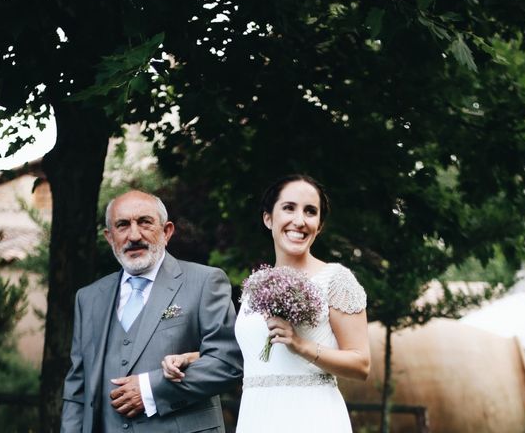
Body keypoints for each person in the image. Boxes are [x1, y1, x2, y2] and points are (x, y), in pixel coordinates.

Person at [163, 174, 371, 432]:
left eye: (310, 211)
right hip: (257, 416)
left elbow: (361, 364)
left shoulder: (336, 279)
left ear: (319, 225)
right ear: (268, 218)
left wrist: (301, 345)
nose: (299, 220)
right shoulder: (256, 285)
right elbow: (250, 355)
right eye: (289, 208)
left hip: (313, 416)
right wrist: (193, 358)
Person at [61, 190, 243, 432]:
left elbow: (227, 363)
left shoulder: (205, 282)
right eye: (123, 225)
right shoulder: (89, 297)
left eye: (145, 222)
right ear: (109, 237)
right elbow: (77, 390)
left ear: (166, 231)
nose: (134, 235)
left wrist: (150, 389)